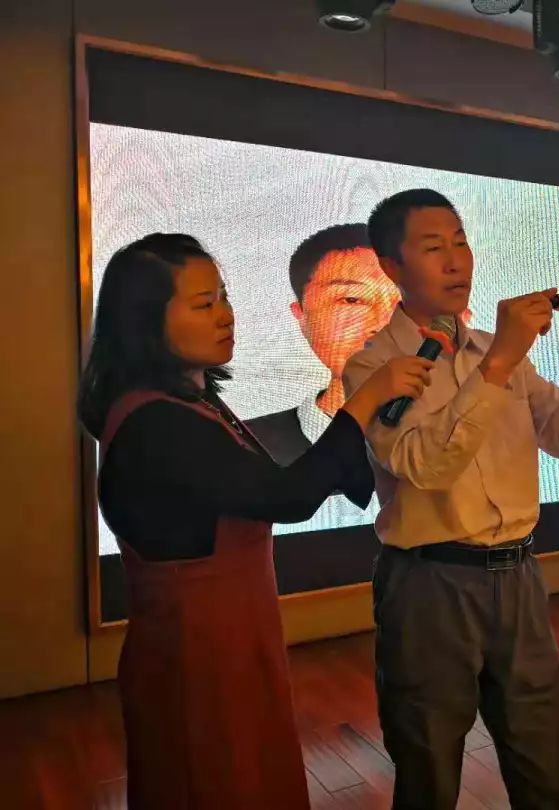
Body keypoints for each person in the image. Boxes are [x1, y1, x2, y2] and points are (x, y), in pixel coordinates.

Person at [78, 233, 433, 810]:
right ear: (145, 320)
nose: (226, 315)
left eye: (223, 297)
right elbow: (288, 497)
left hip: (231, 640)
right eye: (203, 304)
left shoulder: (191, 401)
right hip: (199, 654)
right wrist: (367, 399)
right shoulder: (157, 422)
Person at [343, 189, 559, 809]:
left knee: (545, 758)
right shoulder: (373, 366)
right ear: (392, 267)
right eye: (433, 247)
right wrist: (499, 361)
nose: (455, 261)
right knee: (429, 763)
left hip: (519, 575)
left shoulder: (499, 354)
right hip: (429, 584)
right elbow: (425, 465)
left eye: (461, 243)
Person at [246, 224, 400, 466]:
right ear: (301, 315)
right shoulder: (242, 449)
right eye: (352, 299)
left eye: (408, 301)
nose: (384, 325)